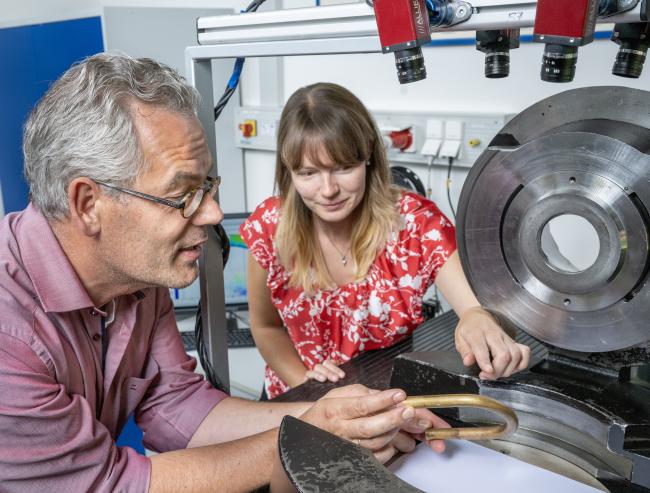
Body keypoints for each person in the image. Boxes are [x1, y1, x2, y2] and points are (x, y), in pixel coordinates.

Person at [0, 53, 449, 493]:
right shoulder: (9, 333)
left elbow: (177, 407)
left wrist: (338, 415)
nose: (213, 214)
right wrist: (312, 435)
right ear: (88, 204)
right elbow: (111, 484)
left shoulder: (137, 280)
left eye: (207, 187)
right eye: (183, 195)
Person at [242, 82, 532, 399]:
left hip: (389, 399)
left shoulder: (415, 223)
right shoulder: (269, 227)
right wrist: (311, 389)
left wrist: (478, 320)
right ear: (289, 171)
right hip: (302, 397)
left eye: (342, 168)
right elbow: (266, 328)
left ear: (368, 154)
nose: (327, 190)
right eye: (308, 173)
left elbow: (474, 307)